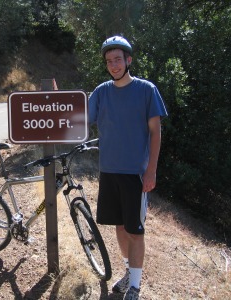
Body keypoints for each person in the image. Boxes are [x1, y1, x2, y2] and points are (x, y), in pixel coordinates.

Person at [88, 36, 168, 300]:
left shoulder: (146, 90)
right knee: (120, 228)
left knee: (135, 230)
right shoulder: (101, 92)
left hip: (135, 173)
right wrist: (54, 99)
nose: (114, 65)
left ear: (128, 60)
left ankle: (135, 285)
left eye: (118, 59)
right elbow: (78, 120)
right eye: (109, 61)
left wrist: (151, 170)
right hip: (108, 171)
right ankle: (127, 274)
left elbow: (155, 132)